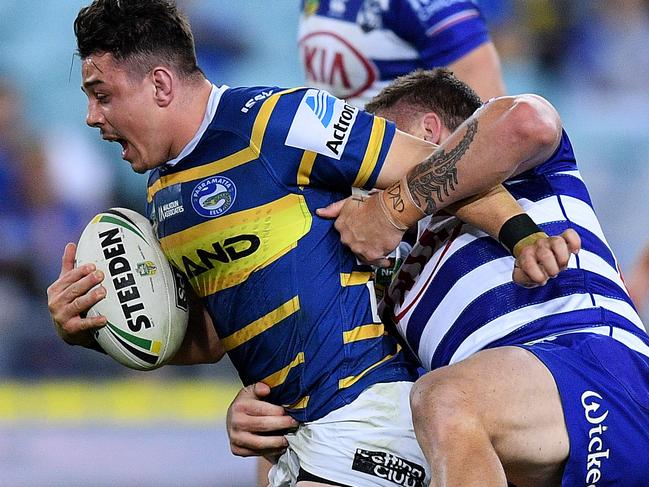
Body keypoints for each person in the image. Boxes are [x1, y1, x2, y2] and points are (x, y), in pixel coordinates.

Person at [47, 2, 574, 485]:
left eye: (102, 94)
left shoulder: (279, 120)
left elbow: (435, 166)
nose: (93, 116)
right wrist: (97, 326)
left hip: (366, 415)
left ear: (161, 85)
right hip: (297, 441)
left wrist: (521, 233)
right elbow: (214, 335)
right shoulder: (162, 189)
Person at [317, 70, 649, 486]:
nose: (368, 174)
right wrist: (259, 414)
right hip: (519, 441)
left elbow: (527, 120)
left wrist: (392, 208)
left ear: (430, 130)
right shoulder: (390, 275)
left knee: (447, 401)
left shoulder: (516, 172)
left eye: (386, 142)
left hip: (598, 369)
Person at [298, 0, 506, 107]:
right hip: (337, 171)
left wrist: (407, 190)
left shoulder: (432, 6)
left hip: (401, 176)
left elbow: (490, 121)